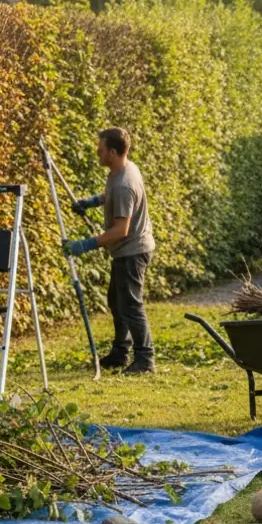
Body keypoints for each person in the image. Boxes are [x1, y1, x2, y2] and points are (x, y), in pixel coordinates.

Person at [63, 127, 156, 375]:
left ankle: (145, 360)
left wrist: (84, 245)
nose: (98, 152)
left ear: (112, 152)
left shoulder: (125, 184)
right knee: (116, 302)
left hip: (132, 251)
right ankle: (120, 353)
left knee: (131, 305)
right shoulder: (121, 170)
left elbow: (120, 230)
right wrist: (92, 202)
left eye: (101, 149)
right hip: (127, 250)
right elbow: (110, 194)